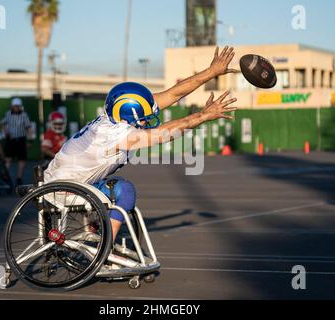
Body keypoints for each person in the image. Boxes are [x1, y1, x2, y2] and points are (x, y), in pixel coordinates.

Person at [44, 46, 238, 243]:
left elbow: (173, 94)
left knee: (121, 189)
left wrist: (211, 72)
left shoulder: (111, 118)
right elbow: (164, 134)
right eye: (144, 117)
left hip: (64, 181)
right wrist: (203, 115)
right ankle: (105, 247)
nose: (147, 119)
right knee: (125, 191)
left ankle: (101, 241)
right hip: (65, 190)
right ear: (131, 116)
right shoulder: (116, 135)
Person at [1, 98, 33, 186]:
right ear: (12, 106)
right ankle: (5, 175)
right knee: (8, 158)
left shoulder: (24, 115)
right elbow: (3, 123)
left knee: (21, 159)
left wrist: (30, 140)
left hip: (20, 139)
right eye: (15, 106)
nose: (16, 108)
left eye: (18, 106)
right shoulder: (8, 114)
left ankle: (19, 178)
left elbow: (29, 128)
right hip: (10, 140)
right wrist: (5, 131)